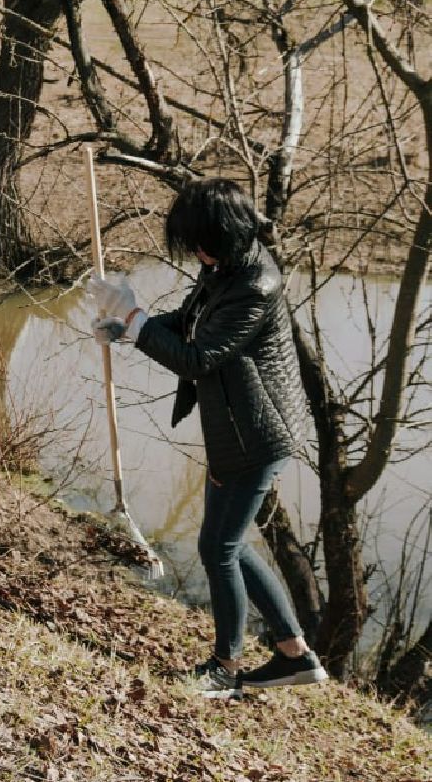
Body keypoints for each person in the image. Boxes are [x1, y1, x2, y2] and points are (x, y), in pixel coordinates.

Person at [87, 178, 328, 698]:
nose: (196, 252)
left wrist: (135, 319)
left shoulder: (255, 286)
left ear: (225, 232)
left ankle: (226, 667)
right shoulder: (225, 265)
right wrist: (126, 327)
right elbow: (189, 322)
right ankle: (295, 656)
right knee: (227, 543)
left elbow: (197, 358)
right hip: (235, 427)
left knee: (219, 547)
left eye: (200, 242)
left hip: (256, 436)